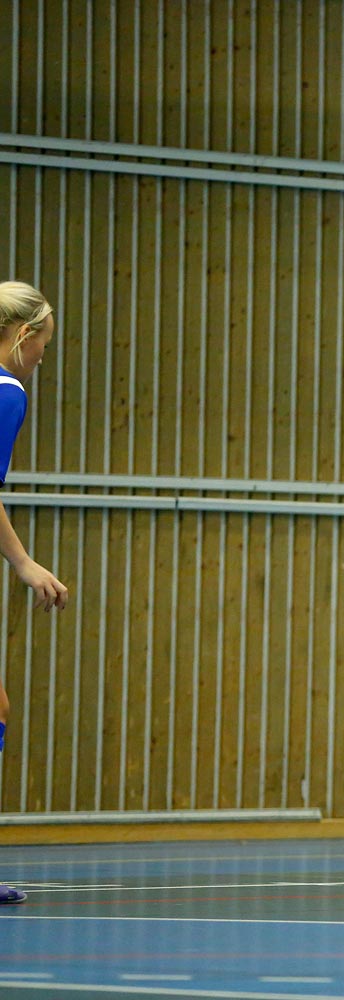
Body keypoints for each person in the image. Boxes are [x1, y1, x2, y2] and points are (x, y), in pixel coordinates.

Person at [0, 281, 69, 905]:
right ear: (23, 337)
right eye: (43, 344)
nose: (44, 355)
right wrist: (23, 562)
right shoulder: (7, 393)